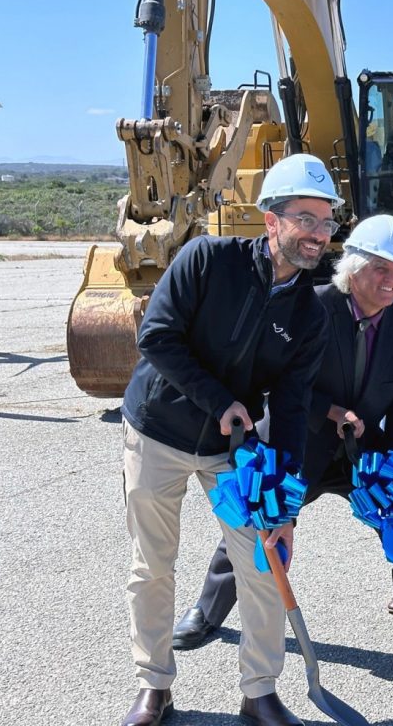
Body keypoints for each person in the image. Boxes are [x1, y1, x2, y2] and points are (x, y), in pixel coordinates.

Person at [172, 215, 393, 687]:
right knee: (257, 522)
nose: (390, 282)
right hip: (299, 442)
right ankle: (207, 611)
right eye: (381, 269)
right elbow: (281, 386)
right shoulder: (314, 308)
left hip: (359, 452)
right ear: (354, 267)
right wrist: (331, 410)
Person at [119, 153, 337, 726]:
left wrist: (285, 503)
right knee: (153, 566)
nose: (318, 233)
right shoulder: (207, 260)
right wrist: (222, 401)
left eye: (327, 221)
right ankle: (154, 685)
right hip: (158, 432)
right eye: (306, 219)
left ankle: (259, 691)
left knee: (264, 564)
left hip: (231, 454)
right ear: (271, 220)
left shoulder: (310, 316)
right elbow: (157, 338)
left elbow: (291, 411)